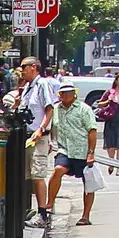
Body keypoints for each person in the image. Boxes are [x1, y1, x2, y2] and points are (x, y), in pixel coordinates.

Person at [47, 82, 101, 226]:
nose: (64, 95)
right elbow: (51, 126)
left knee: (88, 183)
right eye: (62, 93)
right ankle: (49, 204)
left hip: (81, 150)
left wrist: (91, 152)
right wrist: (50, 142)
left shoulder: (84, 109)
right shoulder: (56, 109)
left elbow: (92, 131)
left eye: (67, 92)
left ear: (74, 94)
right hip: (64, 149)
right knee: (58, 170)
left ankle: (86, 215)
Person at [15, 57, 58, 225]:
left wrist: (41, 129)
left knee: (38, 174)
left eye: (24, 67)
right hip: (25, 136)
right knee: (27, 174)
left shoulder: (43, 85)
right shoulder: (27, 87)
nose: (22, 70)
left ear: (34, 67)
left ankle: (42, 214)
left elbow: (49, 109)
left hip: (37, 137)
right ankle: (26, 210)